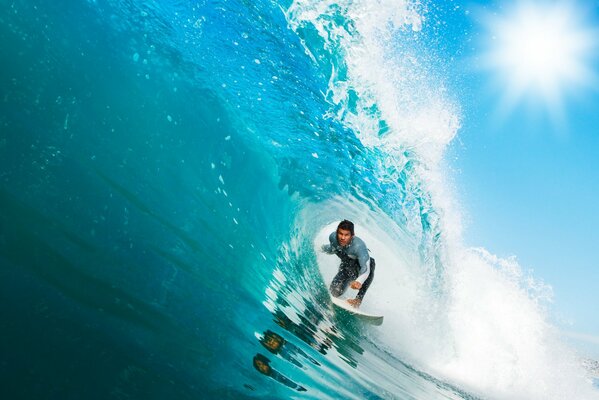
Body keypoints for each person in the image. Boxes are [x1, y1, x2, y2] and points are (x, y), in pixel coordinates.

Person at [321, 219, 375, 308]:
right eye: (340, 233)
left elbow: (366, 269)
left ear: (352, 235)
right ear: (336, 232)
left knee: (371, 263)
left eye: (346, 235)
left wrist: (359, 281)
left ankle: (358, 299)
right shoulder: (333, 238)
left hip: (360, 268)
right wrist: (320, 248)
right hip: (346, 266)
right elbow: (332, 249)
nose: (342, 238)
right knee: (334, 292)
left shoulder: (358, 246)